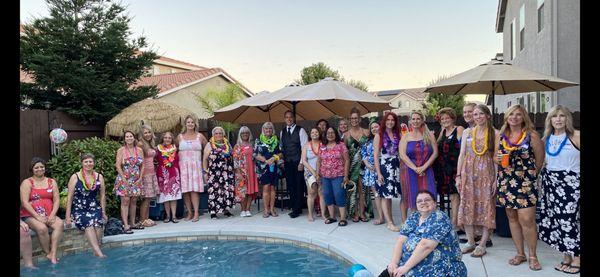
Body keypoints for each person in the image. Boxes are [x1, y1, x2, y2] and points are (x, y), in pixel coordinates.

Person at [494, 104, 545, 271]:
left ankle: (533, 256)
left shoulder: (532, 135)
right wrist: (498, 158)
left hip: (525, 183)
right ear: (506, 117)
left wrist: (529, 176)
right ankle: (520, 253)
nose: (514, 117)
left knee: (527, 221)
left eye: (518, 114)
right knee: (512, 218)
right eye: (511, 114)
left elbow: (539, 160)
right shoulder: (501, 135)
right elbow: (495, 157)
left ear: (523, 117)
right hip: (506, 181)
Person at [380, 190, 467, 277]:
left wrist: (405, 268)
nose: (423, 203)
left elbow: (426, 246)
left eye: (427, 200)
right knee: (388, 273)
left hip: (437, 266)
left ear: (435, 203)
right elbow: (401, 240)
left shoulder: (439, 218)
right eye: (419, 201)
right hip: (412, 263)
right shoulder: (414, 217)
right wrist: (394, 263)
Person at [538, 105, 580, 274]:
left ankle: (577, 257)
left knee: (567, 219)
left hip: (571, 183)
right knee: (555, 220)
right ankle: (567, 256)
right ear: (550, 120)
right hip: (550, 182)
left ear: (567, 118)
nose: (558, 119)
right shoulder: (546, 139)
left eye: (562, 116)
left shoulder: (576, 136)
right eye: (554, 116)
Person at [455, 104, 497, 258]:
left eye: (480, 114)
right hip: (468, 173)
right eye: (475, 114)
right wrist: (458, 176)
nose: (477, 117)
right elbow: (462, 155)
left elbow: (495, 158)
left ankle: (483, 243)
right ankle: (470, 241)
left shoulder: (494, 133)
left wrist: (496, 180)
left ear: (487, 116)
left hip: (486, 174)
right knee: (466, 204)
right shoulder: (467, 132)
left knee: (486, 206)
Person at [20, 157, 64, 264]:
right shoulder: (27, 182)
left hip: (49, 213)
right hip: (30, 214)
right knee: (42, 228)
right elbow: (24, 202)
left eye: (42, 167)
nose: (39, 169)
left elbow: (57, 199)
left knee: (59, 225)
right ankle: (48, 252)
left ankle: (53, 253)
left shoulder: (51, 182)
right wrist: (38, 217)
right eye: (36, 167)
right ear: (32, 169)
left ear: (45, 168)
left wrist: (53, 215)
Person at [65, 153, 108, 258]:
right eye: (86, 162)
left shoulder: (99, 177)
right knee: (89, 224)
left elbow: (102, 196)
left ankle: (96, 251)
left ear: (93, 163)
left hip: (94, 207)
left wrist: (103, 212)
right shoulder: (75, 177)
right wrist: (67, 217)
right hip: (79, 209)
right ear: (82, 163)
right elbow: (69, 198)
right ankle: (99, 253)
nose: (88, 164)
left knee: (98, 225)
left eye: (90, 161)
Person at [399, 110, 438, 222]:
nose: (415, 121)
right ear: (410, 121)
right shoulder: (406, 136)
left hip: (427, 170)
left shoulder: (429, 135)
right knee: (413, 196)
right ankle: (416, 223)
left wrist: (424, 167)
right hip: (411, 171)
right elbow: (402, 155)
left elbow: (435, 153)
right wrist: (415, 168)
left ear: (422, 120)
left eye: (418, 119)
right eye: (413, 119)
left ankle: (430, 222)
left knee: (429, 195)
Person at [434, 108, 464, 229]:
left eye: (447, 118)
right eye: (442, 119)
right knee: (448, 195)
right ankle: (453, 221)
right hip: (443, 169)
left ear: (452, 118)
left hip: (455, 168)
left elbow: (463, 150)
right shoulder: (442, 131)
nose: (445, 120)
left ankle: (455, 223)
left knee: (454, 196)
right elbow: (437, 147)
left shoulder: (459, 129)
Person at [374, 112, 402, 232]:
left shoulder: (397, 134)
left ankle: (390, 220)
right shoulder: (379, 135)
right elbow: (375, 156)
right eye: (388, 120)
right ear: (384, 121)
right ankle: (389, 222)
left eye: (392, 120)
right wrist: (379, 173)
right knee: (386, 196)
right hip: (385, 167)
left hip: (396, 166)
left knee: (390, 196)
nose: (390, 122)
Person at [317, 126, 350, 226]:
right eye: (328, 133)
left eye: (332, 133)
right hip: (325, 176)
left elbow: (347, 160)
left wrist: (346, 175)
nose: (330, 135)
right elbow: (319, 160)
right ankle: (332, 217)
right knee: (327, 194)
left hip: (338, 175)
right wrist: (318, 174)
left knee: (339, 194)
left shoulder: (341, 145)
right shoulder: (322, 146)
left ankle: (343, 218)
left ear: (335, 134)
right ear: (325, 135)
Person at [177, 115, 208, 222]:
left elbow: (208, 148)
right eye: (188, 122)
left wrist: (205, 163)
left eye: (192, 122)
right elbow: (173, 150)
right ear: (185, 124)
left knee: (194, 190)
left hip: (196, 166)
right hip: (183, 167)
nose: (190, 124)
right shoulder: (180, 137)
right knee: (186, 191)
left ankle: (196, 213)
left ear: (195, 124)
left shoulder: (200, 136)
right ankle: (189, 213)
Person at [113, 130, 144, 233]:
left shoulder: (139, 150)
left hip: (136, 179)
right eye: (127, 136)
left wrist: (140, 178)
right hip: (124, 179)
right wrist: (124, 179)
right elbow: (117, 165)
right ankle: (126, 225)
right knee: (125, 201)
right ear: (124, 139)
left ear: (134, 138)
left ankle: (132, 223)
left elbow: (142, 165)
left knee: (134, 201)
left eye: (131, 136)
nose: (129, 138)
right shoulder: (121, 150)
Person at [345, 108, 372, 222]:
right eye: (352, 118)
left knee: (363, 190)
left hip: (364, 165)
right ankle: (354, 213)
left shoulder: (366, 132)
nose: (354, 120)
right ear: (349, 120)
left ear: (359, 119)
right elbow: (344, 152)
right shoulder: (346, 135)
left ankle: (362, 212)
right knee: (353, 190)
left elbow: (371, 148)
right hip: (351, 165)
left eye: (356, 118)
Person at [280, 110, 309, 218]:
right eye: (287, 117)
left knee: (299, 185)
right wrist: (282, 161)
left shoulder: (300, 130)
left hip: (298, 162)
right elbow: (282, 148)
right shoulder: (282, 132)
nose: (289, 119)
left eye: (291, 117)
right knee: (290, 185)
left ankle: (297, 209)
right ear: (284, 119)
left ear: (294, 118)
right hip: (287, 163)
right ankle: (294, 206)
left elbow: (304, 148)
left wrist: (302, 162)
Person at [203, 126, 235, 219]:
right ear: (213, 135)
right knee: (214, 191)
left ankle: (226, 210)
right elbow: (204, 159)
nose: (218, 135)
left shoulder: (227, 144)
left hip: (227, 172)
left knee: (226, 191)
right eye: (216, 133)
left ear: (223, 134)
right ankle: (213, 212)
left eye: (220, 133)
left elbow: (232, 156)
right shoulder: (209, 145)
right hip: (214, 173)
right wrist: (205, 172)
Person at [254, 122, 283, 218]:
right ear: (263, 130)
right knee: (266, 187)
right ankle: (266, 210)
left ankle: (272, 209)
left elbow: (281, 153)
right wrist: (266, 160)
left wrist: (274, 158)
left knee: (273, 188)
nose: (268, 130)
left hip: (274, 167)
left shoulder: (276, 140)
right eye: (266, 129)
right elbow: (255, 155)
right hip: (263, 168)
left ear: (272, 130)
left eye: (270, 128)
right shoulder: (259, 141)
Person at [155, 132, 182, 223]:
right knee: (165, 196)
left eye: (169, 138)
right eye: (165, 137)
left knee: (173, 196)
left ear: (172, 139)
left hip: (174, 174)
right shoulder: (158, 149)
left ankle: (174, 216)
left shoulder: (175, 149)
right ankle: (168, 215)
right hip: (163, 174)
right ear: (162, 139)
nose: (167, 139)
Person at [301, 127, 327, 222]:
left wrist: (319, 172)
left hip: (322, 171)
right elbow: (304, 161)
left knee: (322, 193)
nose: (314, 133)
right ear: (310, 134)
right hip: (309, 171)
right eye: (312, 132)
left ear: (319, 133)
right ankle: (310, 214)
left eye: (316, 132)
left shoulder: (323, 145)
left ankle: (323, 214)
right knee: (311, 193)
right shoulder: (306, 145)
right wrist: (313, 172)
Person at [233, 126, 259, 217]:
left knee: (250, 191)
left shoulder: (252, 145)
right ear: (240, 135)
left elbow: (256, 157)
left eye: (247, 133)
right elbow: (235, 160)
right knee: (242, 191)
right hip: (241, 171)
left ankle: (248, 209)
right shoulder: (237, 146)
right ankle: (242, 210)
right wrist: (238, 172)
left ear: (249, 134)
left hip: (252, 171)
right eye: (243, 133)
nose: (245, 134)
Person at [362, 119, 384, 225]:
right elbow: (363, 154)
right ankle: (381, 217)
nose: (374, 129)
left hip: (382, 169)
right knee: (376, 194)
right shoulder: (367, 141)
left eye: (376, 126)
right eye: (372, 128)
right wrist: (367, 164)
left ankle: (386, 215)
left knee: (384, 194)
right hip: (371, 170)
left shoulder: (384, 139)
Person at [138, 125, 159, 227]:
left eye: (149, 132)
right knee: (146, 198)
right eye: (145, 133)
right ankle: (142, 220)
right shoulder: (141, 144)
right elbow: (139, 160)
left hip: (152, 173)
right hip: (145, 173)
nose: (147, 134)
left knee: (149, 197)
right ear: (142, 135)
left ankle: (146, 218)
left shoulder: (150, 144)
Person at [315, 118, 330, 217]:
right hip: (316, 166)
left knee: (326, 190)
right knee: (318, 189)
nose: (322, 126)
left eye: (324, 125)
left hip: (327, 166)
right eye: (320, 125)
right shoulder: (314, 137)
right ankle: (319, 208)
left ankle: (327, 209)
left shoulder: (328, 137)